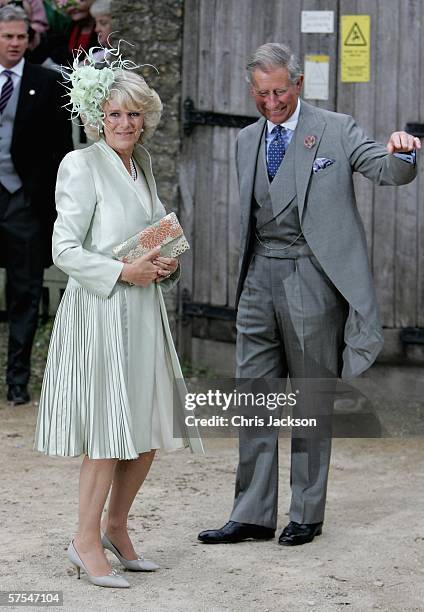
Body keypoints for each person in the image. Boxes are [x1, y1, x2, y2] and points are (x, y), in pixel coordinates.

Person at [198, 43, 420, 547]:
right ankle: (252, 513)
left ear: (298, 84)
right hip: (256, 280)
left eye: (279, 90)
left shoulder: (336, 129)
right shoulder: (246, 139)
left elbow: (385, 170)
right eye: (261, 93)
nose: (271, 101)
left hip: (312, 280)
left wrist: (402, 152)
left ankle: (306, 511)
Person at [35, 48, 203, 588]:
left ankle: (116, 527)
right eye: (114, 114)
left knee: (150, 429)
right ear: (95, 118)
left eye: (134, 113)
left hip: (143, 312)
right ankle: (83, 542)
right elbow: (63, 248)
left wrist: (164, 260)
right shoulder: (79, 164)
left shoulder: (143, 164)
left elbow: (152, 233)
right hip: (102, 312)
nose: (125, 123)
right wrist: (120, 272)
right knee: (108, 433)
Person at [0, 4, 72, 405]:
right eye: (8, 36)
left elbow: (60, 152)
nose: (15, 43)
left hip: (24, 204)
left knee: (25, 295)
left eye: (21, 37)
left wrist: (48, 204)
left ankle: (17, 382)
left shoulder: (46, 83)